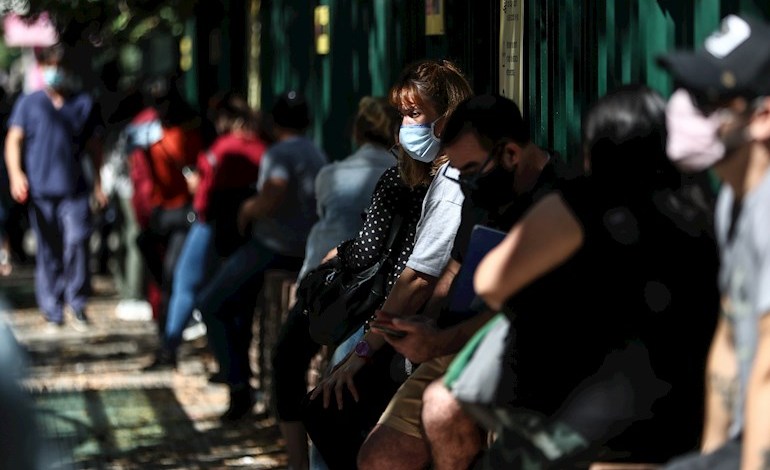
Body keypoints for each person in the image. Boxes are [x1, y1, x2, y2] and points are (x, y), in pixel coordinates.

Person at [456, 84, 719, 467]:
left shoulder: (579, 203)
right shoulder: (703, 214)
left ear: (593, 147)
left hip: (583, 420)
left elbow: (490, 283)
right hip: (681, 422)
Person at [364, 93, 567, 470]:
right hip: (457, 340)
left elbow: (521, 311)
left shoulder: (559, 201)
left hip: (519, 347)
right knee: (380, 457)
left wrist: (440, 340)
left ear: (509, 154)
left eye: (471, 170)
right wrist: (428, 322)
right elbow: (456, 268)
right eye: (459, 173)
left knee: (443, 412)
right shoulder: (486, 190)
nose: (465, 184)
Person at [304, 58, 473, 470]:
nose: (406, 126)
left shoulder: (452, 182)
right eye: (402, 115)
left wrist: (362, 351)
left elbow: (416, 280)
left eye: (415, 113)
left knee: (329, 405)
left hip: (416, 332)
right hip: (397, 326)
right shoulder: (424, 177)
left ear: (447, 116)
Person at [656, 14, 770, 470]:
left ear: (762, 116)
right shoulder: (733, 198)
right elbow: (728, 338)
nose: (682, 106)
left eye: (708, 97)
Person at [272, 95, 402, 470]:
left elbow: (350, 241)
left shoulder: (334, 174)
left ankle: (300, 462)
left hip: (333, 289)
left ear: (357, 132)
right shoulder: (401, 174)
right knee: (336, 379)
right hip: (373, 292)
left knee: (289, 361)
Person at [196, 90, 327, 421]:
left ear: (274, 120)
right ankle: (242, 384)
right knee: (239, 308)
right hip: (301, 247)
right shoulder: (316, 152)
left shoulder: (280, 153)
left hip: (273, 248)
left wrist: (246, 210)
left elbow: (274, 191)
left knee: (213, 303)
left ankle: (238, 385)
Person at [143, 91, 266, 370]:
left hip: (210, 225)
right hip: (244, 231)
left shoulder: (223, 149)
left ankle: (170, 347)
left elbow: (203, 191)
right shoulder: (260, 147)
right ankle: (234, 366)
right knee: (236, 304)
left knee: (186, 285)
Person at [4, 43, 107, 332]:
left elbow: (94, 148)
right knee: (48, 251)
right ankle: (52, 310)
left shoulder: (83, 104)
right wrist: (16, 174)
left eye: (60, 67)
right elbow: (14, 140)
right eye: (50, 66)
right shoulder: (29, 103)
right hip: (40, 191)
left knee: (77, 243)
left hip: (74, 190)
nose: (55, 72)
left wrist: (99, 184)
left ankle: (77, 303)